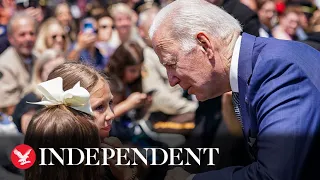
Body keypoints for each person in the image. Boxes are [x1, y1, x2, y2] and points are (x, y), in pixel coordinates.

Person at [149, 0, 320, 180]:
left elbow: (273, 176)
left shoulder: (277, 70)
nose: (172, 80)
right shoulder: (260, 66)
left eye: (171, 63)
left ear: (204, 45)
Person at [0, 12, 37, 115]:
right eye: (22, 34)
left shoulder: (38, 57)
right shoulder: (4, 65)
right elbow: (9, 108)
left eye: (31, 33)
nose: (28, 38)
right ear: (11, 38)